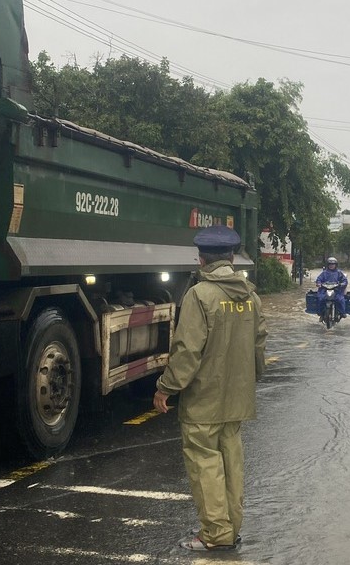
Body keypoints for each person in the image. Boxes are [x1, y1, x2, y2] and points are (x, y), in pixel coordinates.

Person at [153, 225, 267, 552]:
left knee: (205, 465)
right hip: (237, 399)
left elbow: (187, 350)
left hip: (203, 400)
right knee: (231, 464)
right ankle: (230, 528)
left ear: (202, 259)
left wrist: (166, 388)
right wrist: (250, 380)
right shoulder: (251, 295)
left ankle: (215, 535)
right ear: (231, 258)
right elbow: (259, 345)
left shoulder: (199, 295)